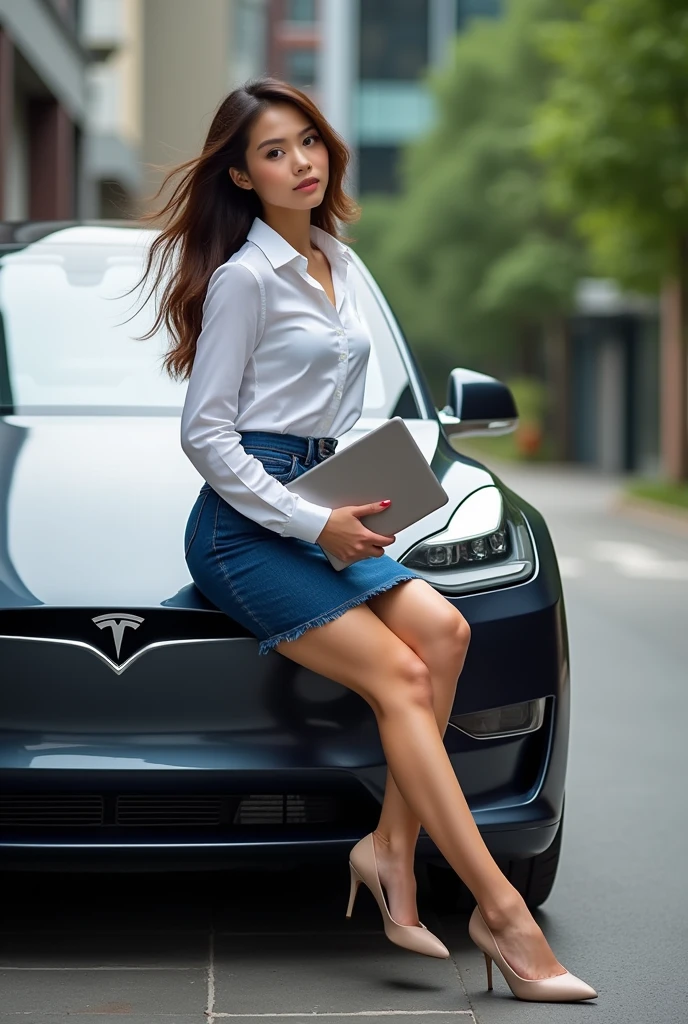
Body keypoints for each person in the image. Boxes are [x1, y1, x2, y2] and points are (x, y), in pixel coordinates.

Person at [133, 76, 597, 1004]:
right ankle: (499, 915)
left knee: (447, 633)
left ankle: (387, 849)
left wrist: (360, 493)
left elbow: (332, 416)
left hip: (328, 496)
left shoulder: (342, 264)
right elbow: (206, 436)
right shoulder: (244, 279)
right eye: (273, 151)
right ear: (241, 173)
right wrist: (313, 519)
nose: (299, 162)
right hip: (246, 528)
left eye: (307, 141)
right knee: (403, 676)